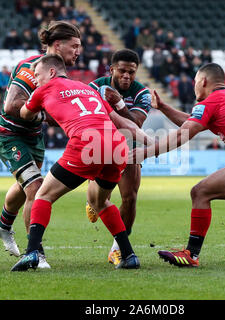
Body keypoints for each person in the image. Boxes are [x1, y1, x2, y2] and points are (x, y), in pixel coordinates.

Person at [132, 63, 225, 267]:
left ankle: (191, 254)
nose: (195, 86)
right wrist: (163, 107)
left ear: (203, 81)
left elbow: (183, 133)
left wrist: (145, 152)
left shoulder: (212, 102)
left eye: (196, 82)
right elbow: (191, 122)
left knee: (200, 192)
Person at [11, 54, 151, 271]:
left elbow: (23, 113)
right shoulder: (87, 88)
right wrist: (152, 142)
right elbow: (119, 120)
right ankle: (129, 255)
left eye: (37, 75)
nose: (35, 80)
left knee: (43, 195)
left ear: (51, 72)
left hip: (87, 143)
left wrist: (39, 107)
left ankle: (32, 254)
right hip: (116, 145)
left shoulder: (44, 89)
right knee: (100, 202)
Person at [0, 21, 82, 269]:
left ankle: (3, 224)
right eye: (74, 46)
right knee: (36, 188)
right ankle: (36, 253)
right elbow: (11, 106)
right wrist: (46, 116)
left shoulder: (60, 75)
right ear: (56, 45)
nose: (78, 51)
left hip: (34, 138)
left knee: (24, 187)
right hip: (10, 135)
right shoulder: (32, 69)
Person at [87, 49, 152, 266]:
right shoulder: (95, 87)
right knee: (97, 201)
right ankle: (94, 202)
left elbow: (137, 124)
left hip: (129, 149)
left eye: (131, 72)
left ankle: (118, 248)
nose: (127, 76)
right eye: (122, 71)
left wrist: (120, 105)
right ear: (112, 69)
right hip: (98, 146)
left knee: (130, 197)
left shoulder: (142, 94)